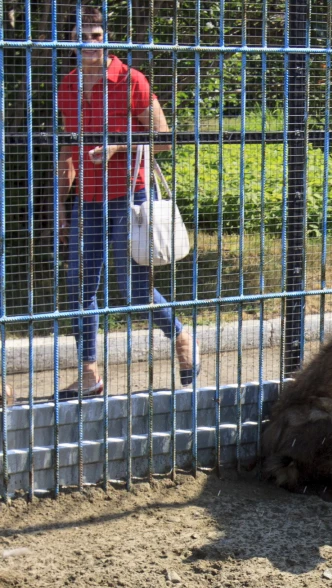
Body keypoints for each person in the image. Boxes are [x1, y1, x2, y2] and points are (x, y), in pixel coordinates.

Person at [56, 6, 199, 399]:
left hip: (132, 197)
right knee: (79, 286)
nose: (88, 42)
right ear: (69, 40)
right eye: (80, 36)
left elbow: (165, 138)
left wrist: (119, 145)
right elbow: (69, 149)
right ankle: (90, 374)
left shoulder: (131, 80)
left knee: (133, 290)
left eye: (96, 36)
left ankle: (182, 338)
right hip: (87, 200)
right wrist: (59, 205)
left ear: (107, 39)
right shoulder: (66, 86)